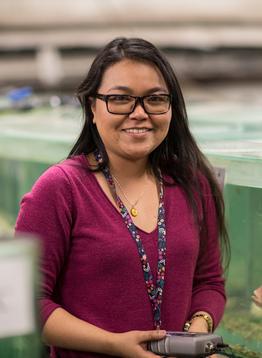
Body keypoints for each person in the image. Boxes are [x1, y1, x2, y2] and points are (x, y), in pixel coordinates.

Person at [15, 36, 230, 358]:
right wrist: (114, 345)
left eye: (155, 99)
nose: (139, 113)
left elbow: (209, 282)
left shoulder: (193, 183)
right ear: (91, 106)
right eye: (120, 99)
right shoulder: (60, 189)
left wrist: (194, 338)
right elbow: (23, 302)